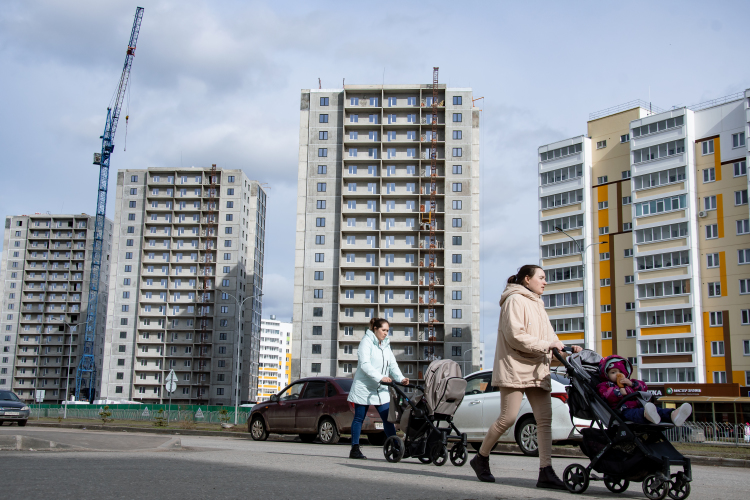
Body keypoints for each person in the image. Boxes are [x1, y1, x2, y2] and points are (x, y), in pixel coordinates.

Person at [470, 265, 582, 490]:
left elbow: (551, 341)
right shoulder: (514, 300)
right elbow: (515, 336)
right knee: (508, 418)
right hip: (514, 367)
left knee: (544, 420)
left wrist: (565, 352)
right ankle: (481, 457)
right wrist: (548, 345)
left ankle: (546, 471)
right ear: (527, 279)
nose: (545, 282)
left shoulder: (539, 305)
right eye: (541, 277)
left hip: (537, 369)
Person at [346, 317, 409, 459]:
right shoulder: (366, 342)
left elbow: (392, 364)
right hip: (364, 387)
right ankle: (354, 449)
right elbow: (365, 364)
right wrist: (380, 377)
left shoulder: (386, 345)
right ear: (375, 329)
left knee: (388, 419)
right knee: (359, 418)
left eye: (388, 330)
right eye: (383, 330)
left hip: (380, 389)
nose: (386, 333)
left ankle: (397, 447)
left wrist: (401, 378)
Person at [597, 355, 692, 425]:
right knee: (638, 413)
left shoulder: (630, 383)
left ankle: (673, 414)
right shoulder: (605, 385)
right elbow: (606, 395)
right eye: (613, 372)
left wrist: (632, 384)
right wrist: (618, 392)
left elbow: (643, 387)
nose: (618, 374)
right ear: (606, 374)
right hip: (622, 410)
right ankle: (648, 416)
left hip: (639, 406)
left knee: (657, 410)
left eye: (621, 372)